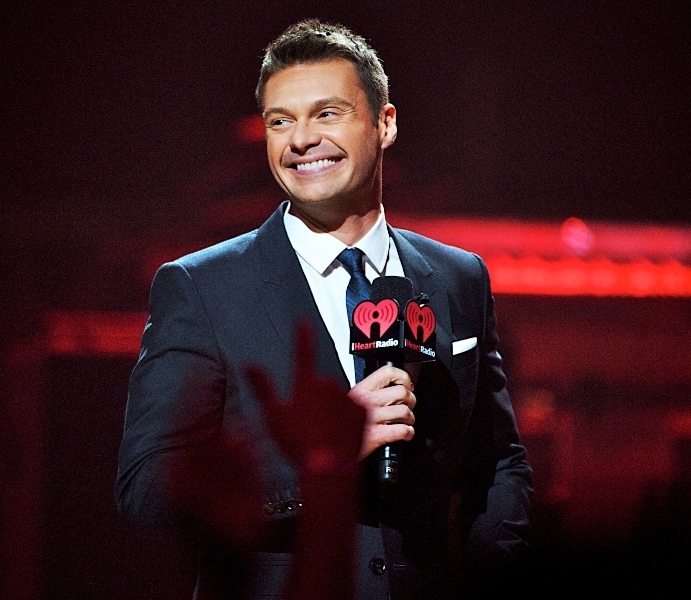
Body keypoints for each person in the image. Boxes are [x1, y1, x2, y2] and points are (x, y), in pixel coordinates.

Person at [116, 18, 533, 599]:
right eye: (280, 121)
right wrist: (320, 462)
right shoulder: (201, 287)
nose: (301, 139)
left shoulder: (459, 278)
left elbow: (498, 462)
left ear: (385, 123)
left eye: (326, 114)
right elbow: (145, 487)